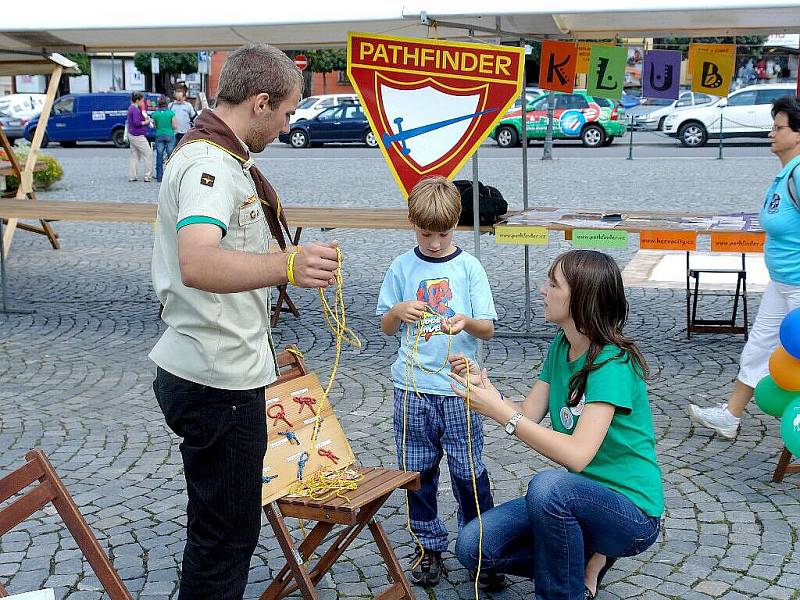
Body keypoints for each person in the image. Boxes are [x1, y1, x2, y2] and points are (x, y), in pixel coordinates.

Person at [150, 43, 341, 600]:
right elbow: (198, 260)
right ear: (260, 103)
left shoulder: (221, 156)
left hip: (224, 368)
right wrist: (287, 264)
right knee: (225, 537)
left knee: (222, 530)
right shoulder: (210, 163)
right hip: (215, 379)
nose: (286, 126)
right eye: (286, 113)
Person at [449, 250, 663, 600]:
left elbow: (577, 456)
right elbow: (527, 413)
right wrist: (487, 393)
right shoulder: (562, 344)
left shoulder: (613, 364)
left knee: (549, 488)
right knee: (472, 547)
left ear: (579, 298)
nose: (542, 290)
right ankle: (581, 561)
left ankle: (564, 591)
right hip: (578, 499)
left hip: (630, 513)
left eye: (553, 283)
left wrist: (501, 414)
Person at [375, 176, 504, 590]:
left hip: (459, 389)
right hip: (411, 389)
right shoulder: (401, 266)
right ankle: (428, 545)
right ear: (413, 224)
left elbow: (488, 328)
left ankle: (480, 549)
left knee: (468, 472)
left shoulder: (469, 267)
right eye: (425, 233)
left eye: (443, 234)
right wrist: (398, 310)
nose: (433, 242)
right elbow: (384, 325)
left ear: (457, 227)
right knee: (418, 471)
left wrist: (466, 321)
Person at [688, 96, 800, 438]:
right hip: (782, 282)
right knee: (758, 347)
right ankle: (730, 416)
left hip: (799, 285)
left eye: (778, 127)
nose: (771, 133)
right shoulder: (785, 174)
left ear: (798, 135)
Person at [126, 91, 153, 182]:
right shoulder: (136, 110)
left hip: (131, 134)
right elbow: (137, 123)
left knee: (135, 156)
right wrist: (146, 122)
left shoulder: (131, 108)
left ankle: (132, 175)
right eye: (142, 101)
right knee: (148, 154)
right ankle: (147, 175)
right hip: (138, 135)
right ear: (137, 100)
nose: (143, 102)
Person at [151, 95, 176, 182]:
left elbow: (154, 126)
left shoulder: (155, 114)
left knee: (159, 155)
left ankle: (159, 176)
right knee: (170, 156)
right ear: (167, 104)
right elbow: (174, 126)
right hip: (169, 135)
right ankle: (171, 175)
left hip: (159, 135)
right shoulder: (171, 113)